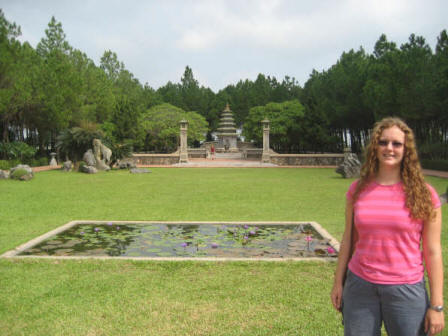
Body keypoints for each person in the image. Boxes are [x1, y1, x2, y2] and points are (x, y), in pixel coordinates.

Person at [330, 117, 444, 336]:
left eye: (396, 144)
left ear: (406, 149)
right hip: (360, 286)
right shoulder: (358, 189)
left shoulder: (424, 193)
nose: (389, 148)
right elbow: (349, 239)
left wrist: (437, 306)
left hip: (406, 289)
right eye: (383, 142)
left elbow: (433, 252)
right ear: (375, 146)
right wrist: (338, 282)